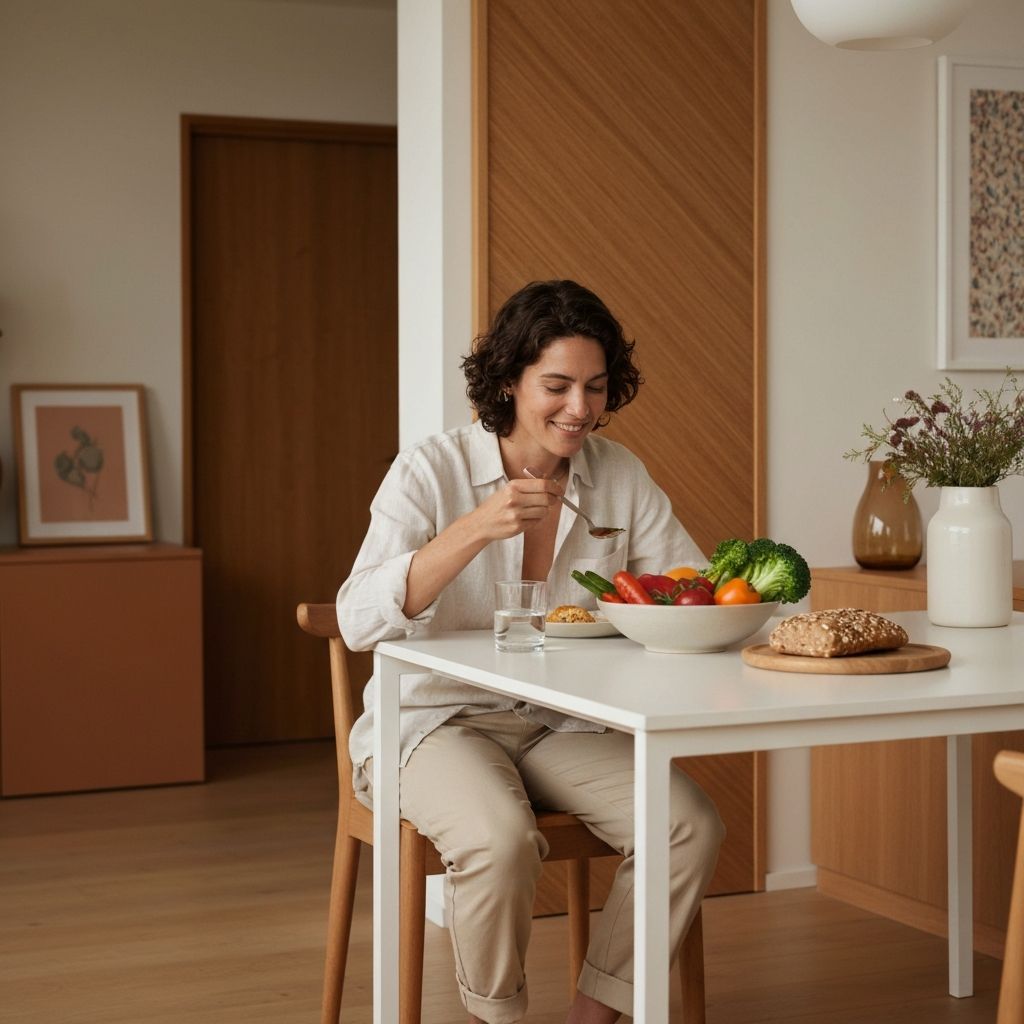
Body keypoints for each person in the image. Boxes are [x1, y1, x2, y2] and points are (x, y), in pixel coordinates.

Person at [336, 279, 725, 1024]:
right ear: (509, 381)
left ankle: (593, 1015)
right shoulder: (430, 470)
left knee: (688, 826)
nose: (579, 409)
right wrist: (472, 530)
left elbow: (690, 586)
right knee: (499, 838)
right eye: (557, 385)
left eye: (596, 387)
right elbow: (357, 618)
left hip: (562, 721)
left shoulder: (619, 475)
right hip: (431, 724)